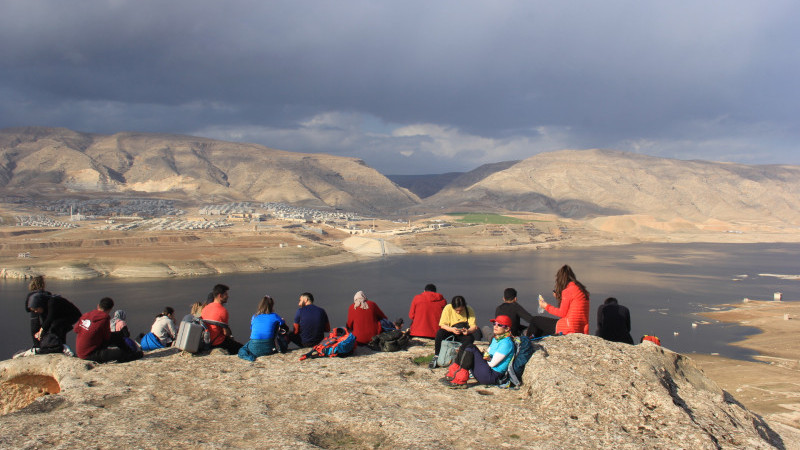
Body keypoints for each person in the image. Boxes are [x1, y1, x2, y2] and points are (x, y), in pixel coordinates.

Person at [441, 315, 515, 388]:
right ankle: (452, 374)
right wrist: (481, 357)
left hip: (491, 376)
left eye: (499, 325)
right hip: (485, 371)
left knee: (471, 348)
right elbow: (487, 355)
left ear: (507, 329)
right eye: (494, 324)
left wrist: (480, 358)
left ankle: (460, 380)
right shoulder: (496, 339)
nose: (495, 326)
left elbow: (492, 364)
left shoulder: (506, 343)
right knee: (466, 345)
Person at [74, 297, 143, 363]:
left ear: (98, 306)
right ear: (110, 309)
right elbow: (106, 337)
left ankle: (128, 352)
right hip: (89, 354)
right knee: (119, 351)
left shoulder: (86, 315)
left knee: (116, 335)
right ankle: (129, 354)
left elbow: (76, 330)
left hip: (80, 351)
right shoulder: (104, 318)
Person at [532, 264, 590, 337]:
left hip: (568, 327)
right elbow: (573, 309)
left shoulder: (567, 291)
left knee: (535, 320)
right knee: (543, 331)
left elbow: (562, 313)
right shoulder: (583, 291)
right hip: (580, 329)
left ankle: (526, 343)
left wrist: (545, 306)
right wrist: (560, 298)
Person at [27, 287, 82, 355]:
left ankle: (62, 347)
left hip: (72, 315)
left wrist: (41, 331)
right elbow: (46, 321)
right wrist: (40, 332)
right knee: (50, 328)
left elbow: (50, 318)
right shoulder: (43, 305)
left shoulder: (52, 302)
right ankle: (53, 346)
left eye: (36, 309)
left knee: (56, 326)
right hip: (60, 315)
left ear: (40, 304)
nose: (35, 311)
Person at [431, 295, 479, 368]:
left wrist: (468, 331)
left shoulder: (469, 310)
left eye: (461, 310)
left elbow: (473, 326)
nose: (458, 312)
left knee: (470, 338)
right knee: (440, 333)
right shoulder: (448, 308)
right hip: (450, 330)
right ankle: (437, 356)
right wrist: (452, 329)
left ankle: (461, 356)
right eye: (456, 310)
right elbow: (443, 325)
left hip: (463, 332)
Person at [238, 295, 289, 361]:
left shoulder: (254, 316)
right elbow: (285, 329)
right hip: (269, 348)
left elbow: (253, 329)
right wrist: (283, 321)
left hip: (254, 348)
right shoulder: (275, 316)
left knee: (242, 350)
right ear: (272, 306)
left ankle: (250, 358)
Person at [200, 284, 243, 354]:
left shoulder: (205, 308)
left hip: (207, 341)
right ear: (220, 296)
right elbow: (226, 333)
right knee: (242, 348)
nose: (228, 296)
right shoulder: (222, 311)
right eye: (226, 294)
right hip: (218, 342)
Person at [24, 275, 51, 348]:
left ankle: (37, 349)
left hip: (34, 320)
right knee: (46, 338)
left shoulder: (30, 295)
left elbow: (27, 309)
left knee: (36, 341)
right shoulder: (48, 294)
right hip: (45, 320)